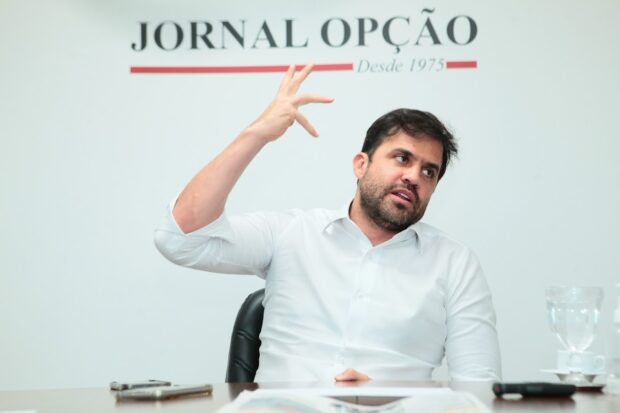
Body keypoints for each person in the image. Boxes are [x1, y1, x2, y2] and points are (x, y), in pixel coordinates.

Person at [154, 64, 501, 382]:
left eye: (429, 172)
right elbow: (181, 239)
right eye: (402, 158)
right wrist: (257, 134)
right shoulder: (293, 233)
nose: (413, 176)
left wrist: (390, 398)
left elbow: (479, 387)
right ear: (361, 165)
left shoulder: (455, 263)